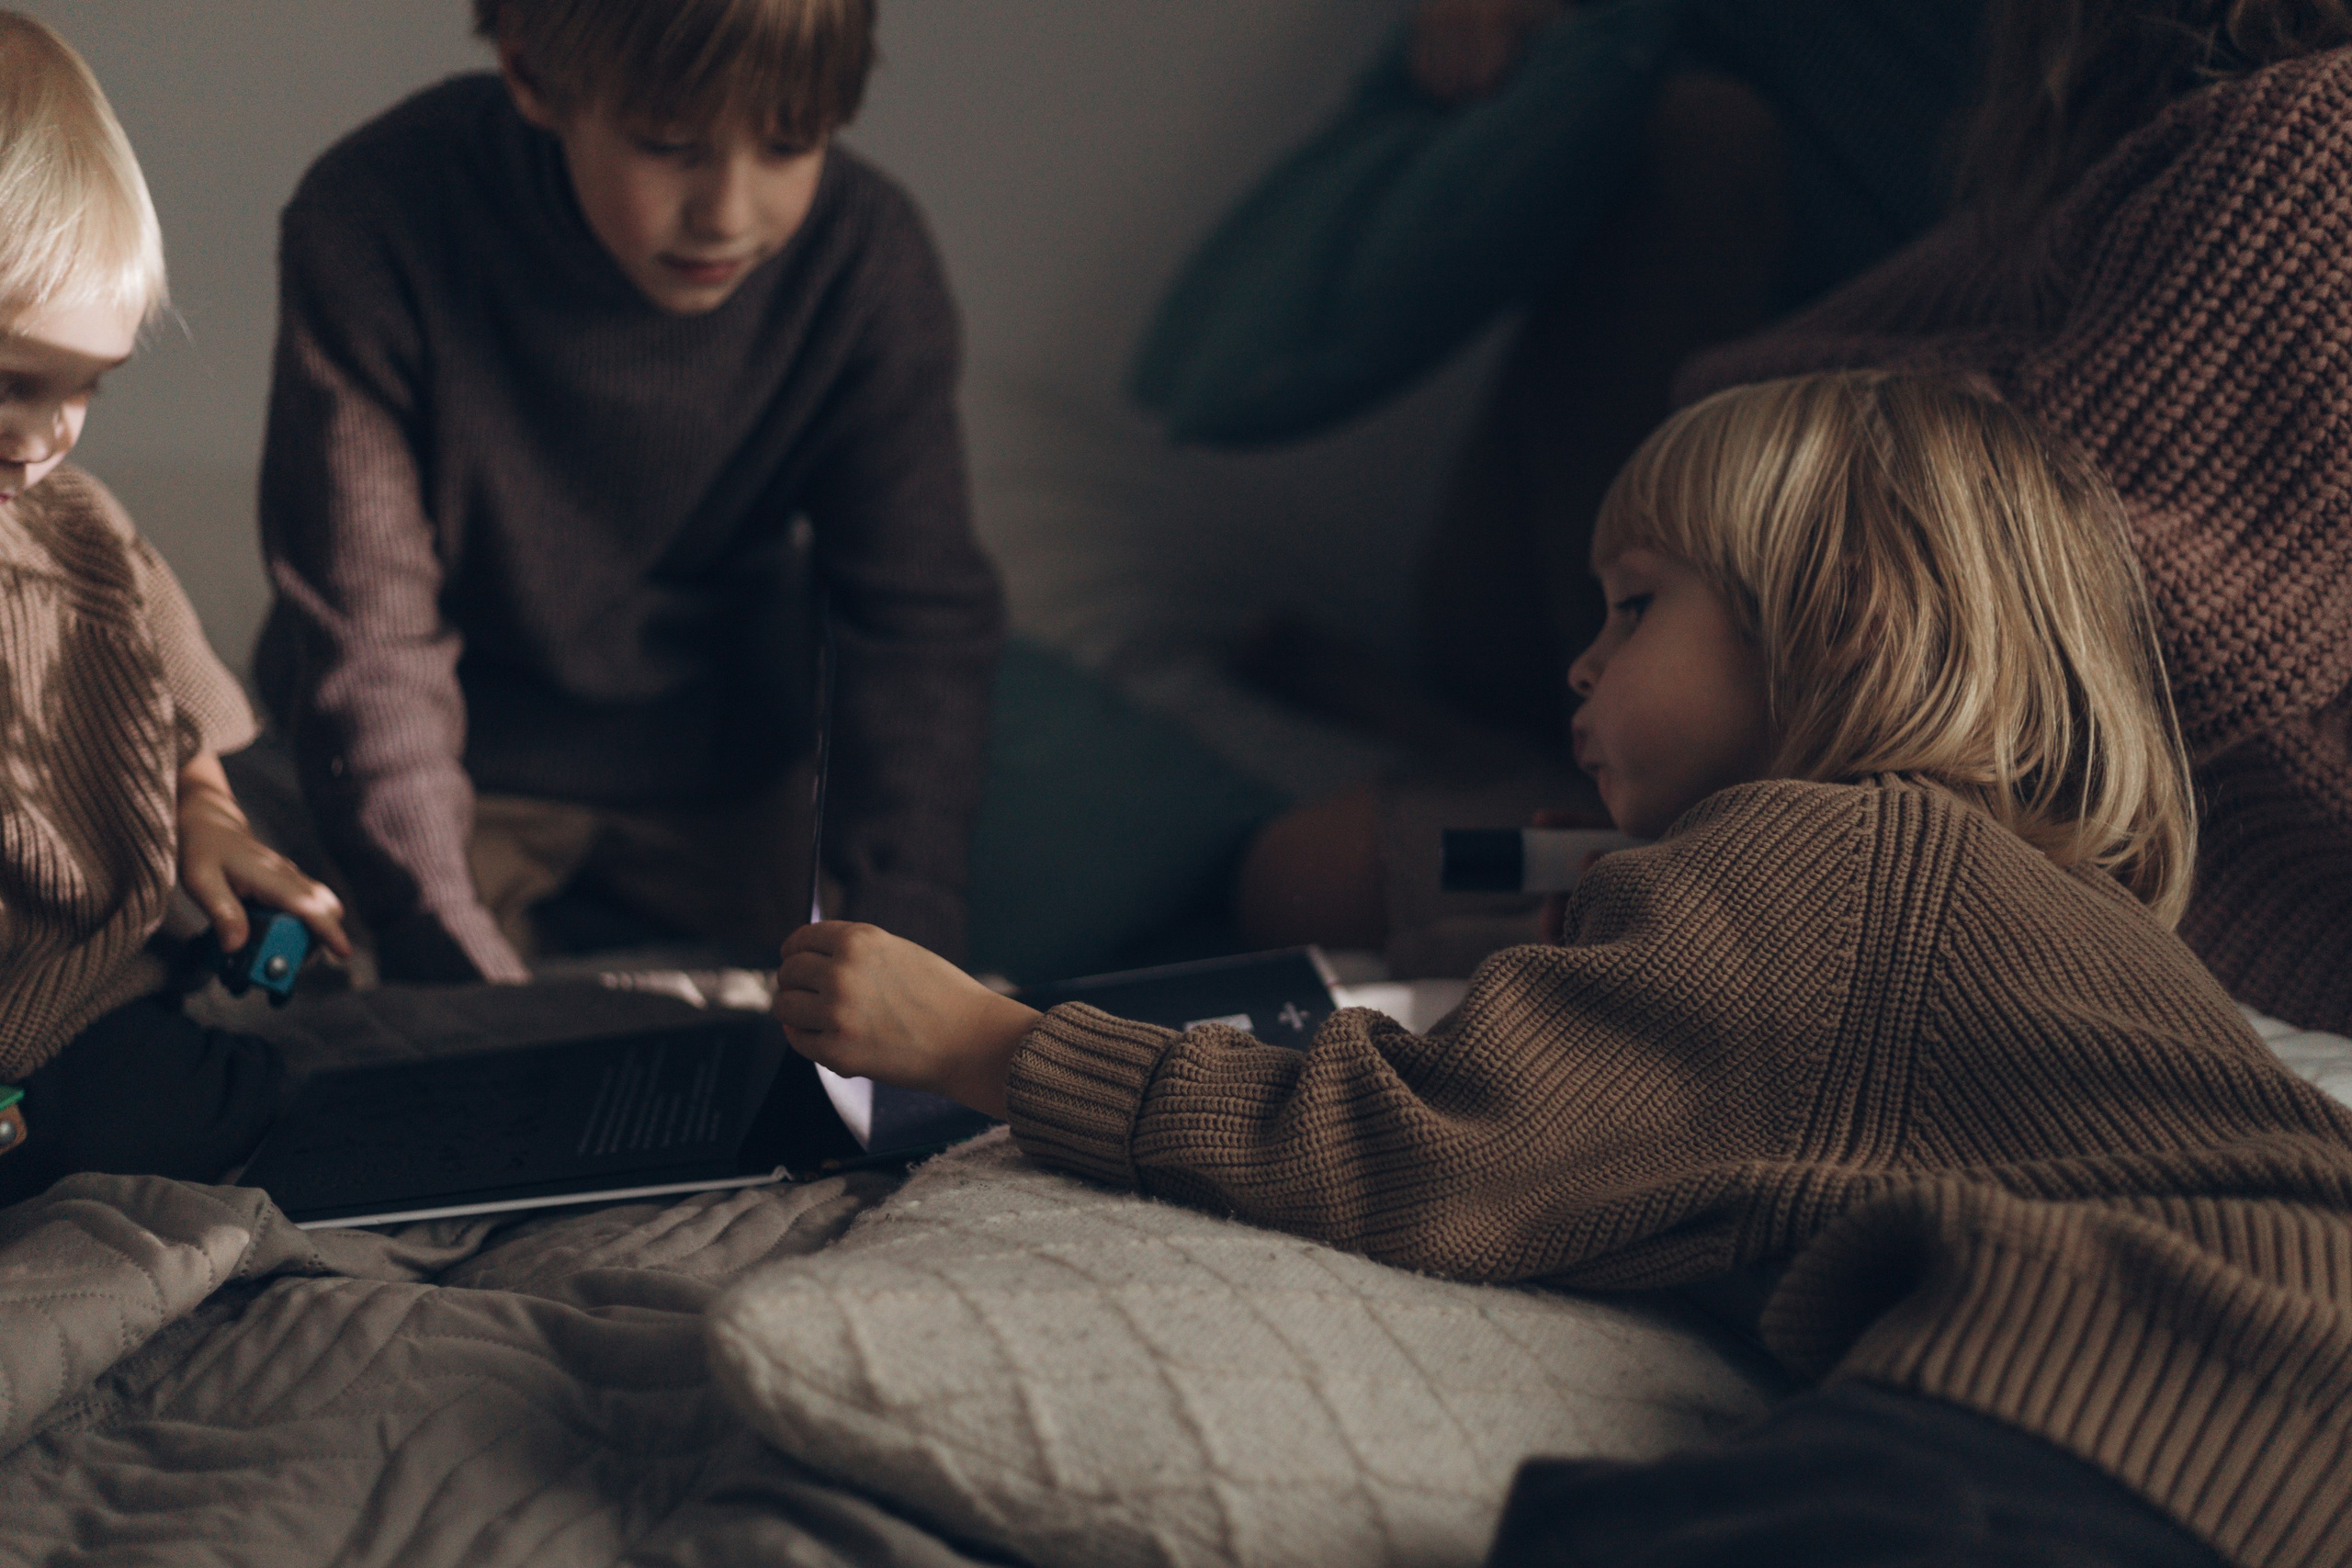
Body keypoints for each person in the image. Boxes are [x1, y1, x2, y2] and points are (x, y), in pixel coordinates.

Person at [769, 372, 2352, 1562]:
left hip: (2158, 1388)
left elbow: (1440, 1144)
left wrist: (994, 1045)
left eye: (1637, 603)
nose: (1582, 662)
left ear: (1850, 622)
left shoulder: (1814, 851)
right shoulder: (2035, 899)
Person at [254, 0, 1004, 985]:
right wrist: (441, 936)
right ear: (531, 75)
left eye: (788, 146)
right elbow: (369, 634)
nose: (729, 213)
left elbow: (913, 617)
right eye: (669, 145)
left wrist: (910, 930)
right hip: (435, 763)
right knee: (336, 1011)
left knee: (852, 1048)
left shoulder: (865, 259)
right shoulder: (377, 216)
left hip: (725, 775)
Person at [1669, 1, 2352, 1036]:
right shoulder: (2136, 142)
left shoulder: (2314, 141)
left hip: (2193, 861)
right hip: (1855, 723)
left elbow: (2083, 596)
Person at [0, 14, 351, 1207]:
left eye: (83, 390)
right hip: (23, 1020)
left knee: (197, 1077)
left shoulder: (85, 536)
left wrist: (206, 819)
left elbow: (187, 735)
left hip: (98, 970)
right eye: (11, 382)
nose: (46, 435)